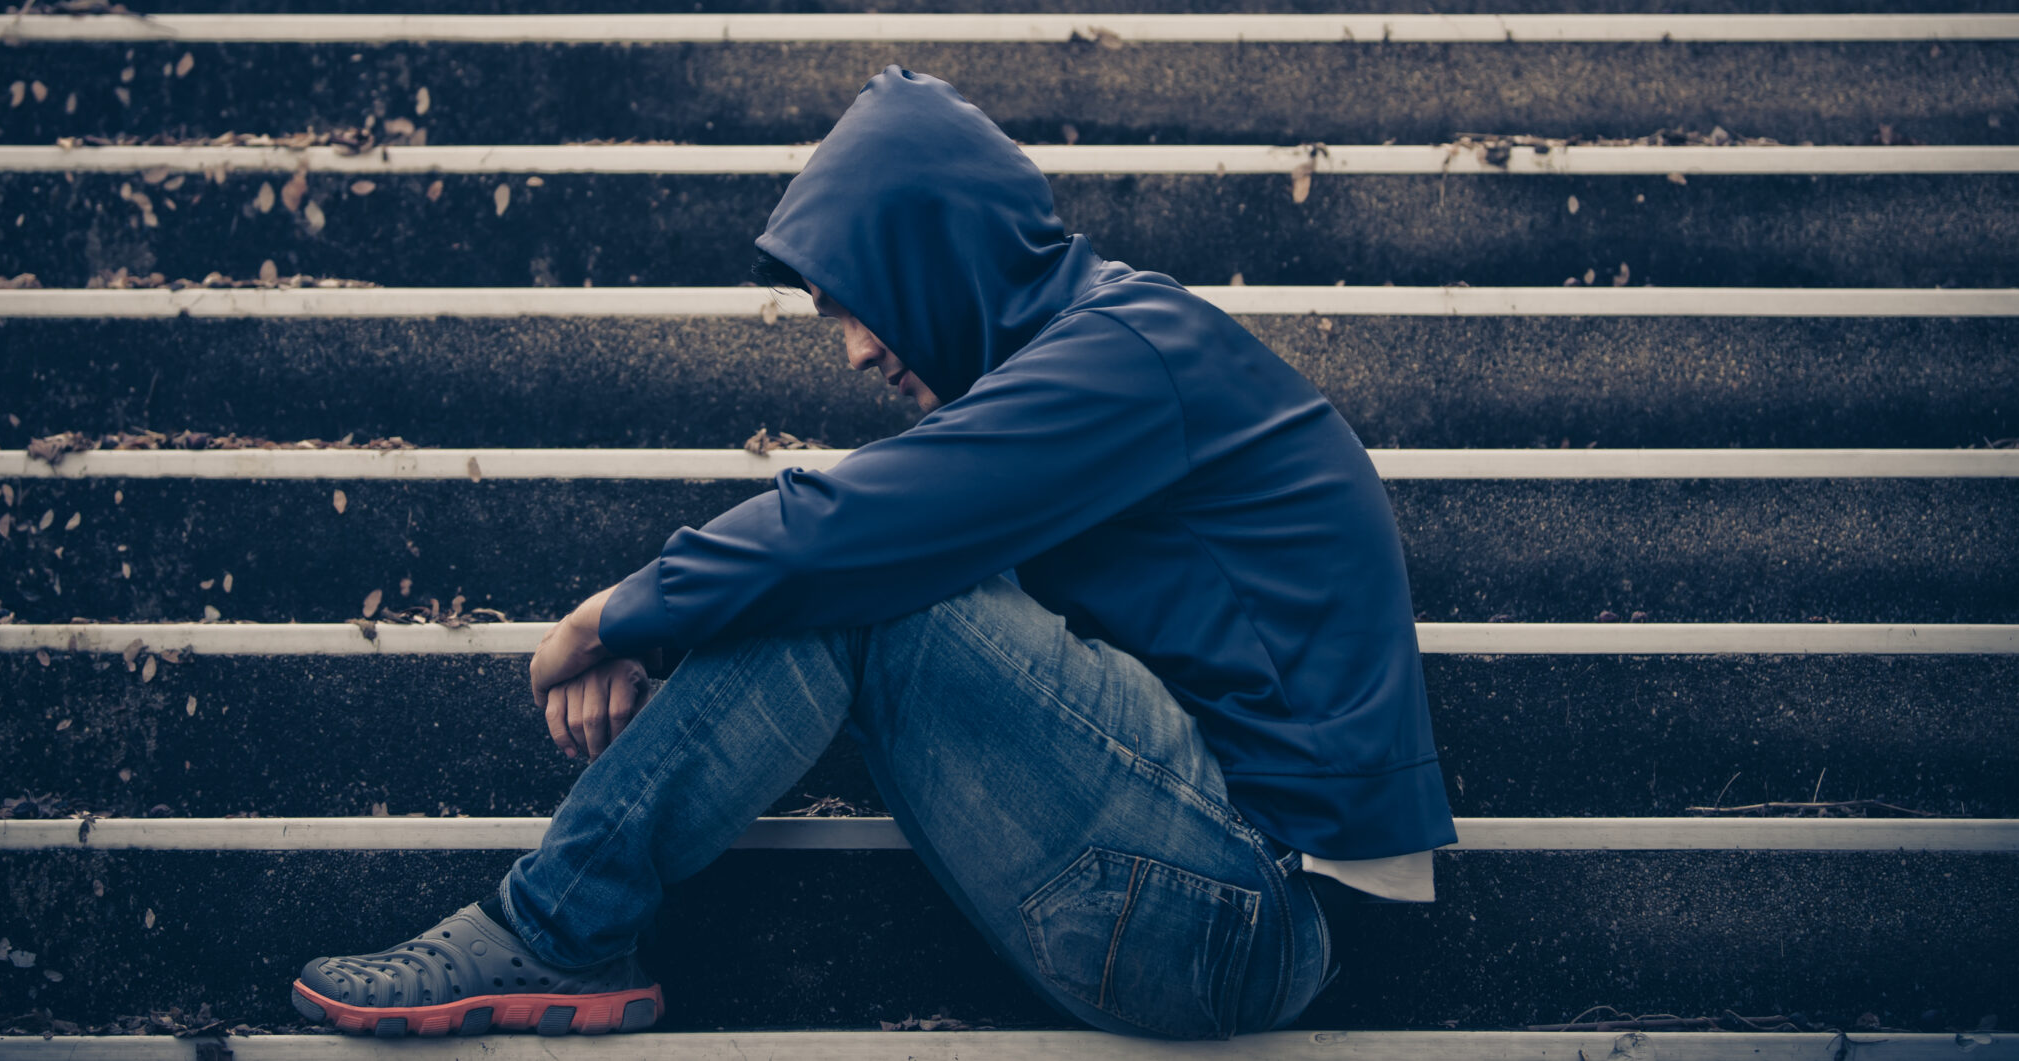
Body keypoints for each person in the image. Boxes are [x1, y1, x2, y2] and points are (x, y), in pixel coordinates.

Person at [292, 67, 1454, 1040]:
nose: (851, 351)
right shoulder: (1087, 369)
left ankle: (555, 926)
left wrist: (611, 618)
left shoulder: (1132, 352)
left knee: (869, 573)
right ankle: (559, 924)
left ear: (935, 254)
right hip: (1191, 886)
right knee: (864, 557)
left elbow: (848, 533)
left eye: (858, 301)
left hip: (1248, 910)